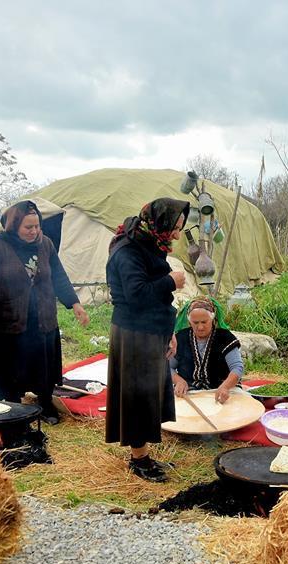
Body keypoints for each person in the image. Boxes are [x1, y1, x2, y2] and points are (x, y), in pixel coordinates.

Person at [0, 200, 89, 425]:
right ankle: (14, 406)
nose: (34, 231)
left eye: (37, 226)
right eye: (28, 227)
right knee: (12, 364)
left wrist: (75, 304)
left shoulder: (45, 244)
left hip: (43, 316)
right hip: (9, 317)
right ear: (14, 226)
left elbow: (59, 276)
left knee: (43, 362)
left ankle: (45, 403)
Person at [105, 198, 188, 482]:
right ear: (159, 224)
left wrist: (170, 332)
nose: (177, 235)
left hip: (152, 329)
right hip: (133, 333)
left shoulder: (150, 242)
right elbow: (137, 295)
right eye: (174, 228)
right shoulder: (127, 250)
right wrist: (171, 281)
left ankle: (144, 454)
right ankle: (138, 460)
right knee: (137, 396)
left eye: (179, 228)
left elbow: (157, 299)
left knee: (149, 394)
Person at [170, 297, 244, 404]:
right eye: (195, 323)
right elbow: (167, 367)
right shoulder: (180, 338)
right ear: (189, 322)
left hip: (222, 391)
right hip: (189, 392)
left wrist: (226, 386)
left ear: (212, 319)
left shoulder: (225, 337)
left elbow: (237, 368)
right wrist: (178, 381)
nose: (200, 327)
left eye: (204, 322)